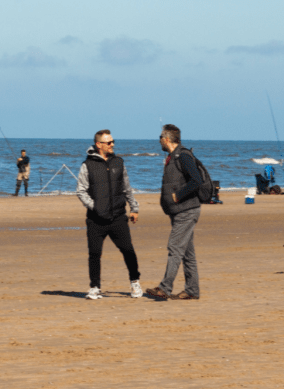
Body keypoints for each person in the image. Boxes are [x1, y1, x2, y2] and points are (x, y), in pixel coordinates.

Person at [76, 130, 142, 300]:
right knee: (95, 253)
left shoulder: (119, 162)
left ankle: (135, 282)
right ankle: (95, 287)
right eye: (109, 142)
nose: (112, 144)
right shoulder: (87, 165)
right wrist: (95, 207)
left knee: (128, 250)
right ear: (99, 145)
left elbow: (127, 187)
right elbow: (81, 191)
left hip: (118, 216)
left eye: (113, 141)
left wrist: (134, 208)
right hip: (96, 219)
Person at [145, 124, 205, 301]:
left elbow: (197, 180)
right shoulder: (173, 156)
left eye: (160, 138)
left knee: (175, 248)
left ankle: (165, 287)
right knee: (187, 252)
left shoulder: (183, 155)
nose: (159, 141)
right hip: (180, 211)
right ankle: (192, 290)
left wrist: (177, 195)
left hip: (187, 210)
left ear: (166, 139)